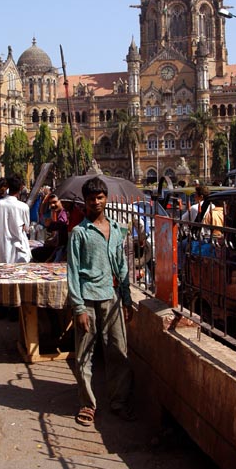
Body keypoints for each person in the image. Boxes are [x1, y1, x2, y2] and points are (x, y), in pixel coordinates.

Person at [67, 176, 134, 427]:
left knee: (119, 351)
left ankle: (119, 401)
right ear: (84, 202)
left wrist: (126, 299)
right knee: (84, 355)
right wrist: (79, 308)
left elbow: (122, 266)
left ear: (106, 199)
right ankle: (87, 404)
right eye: (91, 198)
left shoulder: (116, 229)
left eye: (100, 197)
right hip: (87, 298)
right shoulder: (78, 233)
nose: (96, 202)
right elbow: (72, 271)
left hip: (112, 298)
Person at [0, 176, 31, 264]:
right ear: (21, 188)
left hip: (4, 247)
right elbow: (27, 228)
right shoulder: (24, 206)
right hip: (20, 247)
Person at [31, 193, 69, 262]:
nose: (52, 205)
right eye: (50, 203)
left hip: (64, 249)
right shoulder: (58, 214)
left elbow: (62, 224)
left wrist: (50, 225)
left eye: (54, 202)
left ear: (61, 201)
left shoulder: (64, 214)